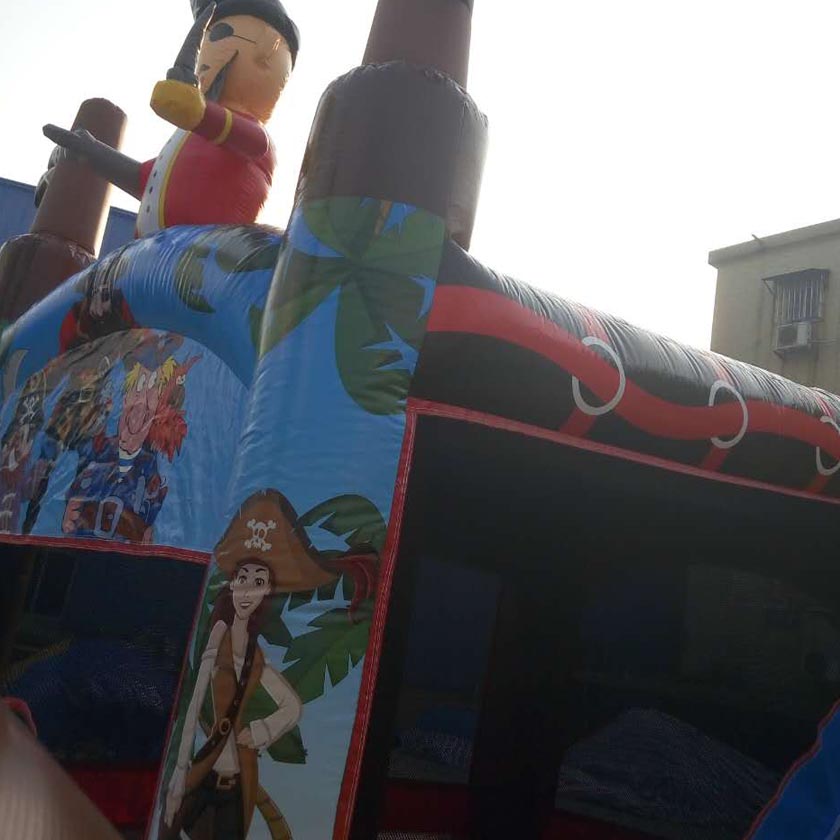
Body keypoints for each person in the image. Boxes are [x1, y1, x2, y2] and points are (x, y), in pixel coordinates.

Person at [41, 0, 299, 233]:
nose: (204, 58)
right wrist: (89, 151)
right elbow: (151, 181)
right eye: (205, 41)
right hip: (150, 251)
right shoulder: (191, 134)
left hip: (199, 253)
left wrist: (196, 110)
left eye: (219, 35)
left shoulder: (252, 137)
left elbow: (251, 142)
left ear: (267, 52)